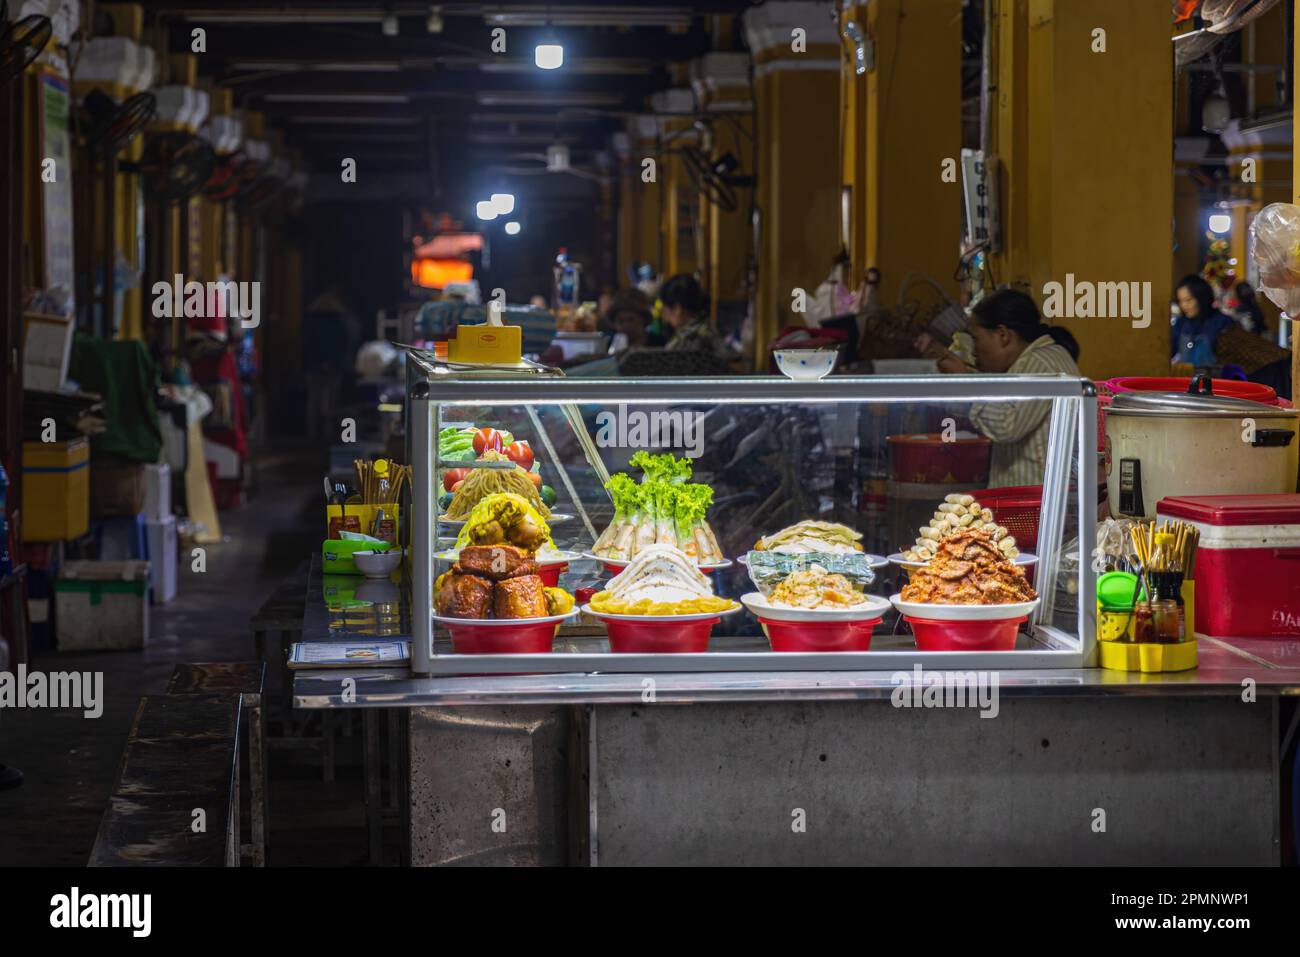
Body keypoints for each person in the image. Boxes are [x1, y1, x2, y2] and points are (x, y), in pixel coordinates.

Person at [938, 288, 1082, 488]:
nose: (974, 350)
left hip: (1036, 501)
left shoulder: (1041, 364)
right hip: (1029, 497)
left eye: (976, 338)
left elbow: (1006, 425)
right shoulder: (1028, 362)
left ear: (1003, 335)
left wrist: (964, 382)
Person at [1172, 274, 1234, 366]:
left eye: (1188, 300)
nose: (1183, 305)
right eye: (1180, 301)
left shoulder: (1222, 322)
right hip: (1187, 375)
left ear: (1201, 298)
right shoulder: (1181, 324)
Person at [660, 274, 727, 356]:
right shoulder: (708, 329)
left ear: (678, 309)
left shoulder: (689, 339)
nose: (663, 313)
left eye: (665, 307)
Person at [606, 287, 666, 352]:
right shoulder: (609, 347)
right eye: (621, 321)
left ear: (644, 320)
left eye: (631, 320)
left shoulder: (661, 345)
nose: (626, 325)